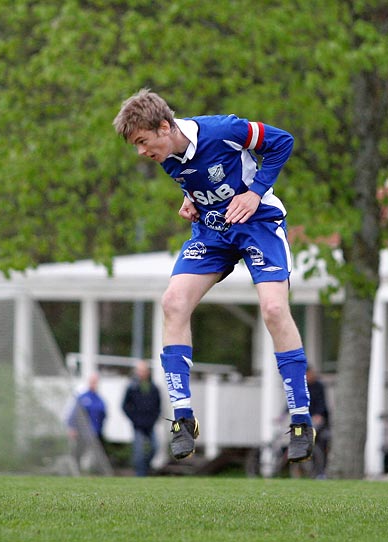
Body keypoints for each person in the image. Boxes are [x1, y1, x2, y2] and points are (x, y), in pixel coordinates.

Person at [113, 89, 315, 463]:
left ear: (163, 126)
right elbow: (199, 180)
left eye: (142, 141)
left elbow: (282, 142)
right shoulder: (166, 157)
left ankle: (301, 420)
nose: (141, 152)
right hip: (212, 232)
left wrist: (255, 193)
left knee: (273, 309)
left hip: (258, 224)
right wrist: (193, 199)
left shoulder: (224, 129)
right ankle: (183, 418)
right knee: (173, 302)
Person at [122, 360, 161, 476]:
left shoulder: (154, 388)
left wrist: (153, 419)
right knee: (138, 452)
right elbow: (125, 406)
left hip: (150, 425)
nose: (142, 373)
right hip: (138, 425)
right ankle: (140, 475)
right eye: (140, 371)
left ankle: (145, 467)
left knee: (155, 447)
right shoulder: (132, 387)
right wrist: (135, 419)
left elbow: (158, 406)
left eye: (144, 371)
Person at [67, 372, 107, 471]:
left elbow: (103, 416)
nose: (94, 384)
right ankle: (76, 472)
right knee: (78, 454)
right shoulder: (83, 397)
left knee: (97, 456)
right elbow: (74, 414)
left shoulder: (99, 399)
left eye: (95, 382)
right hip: (82, 433)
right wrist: (72, 428)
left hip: (95, 433)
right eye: (92, 382)